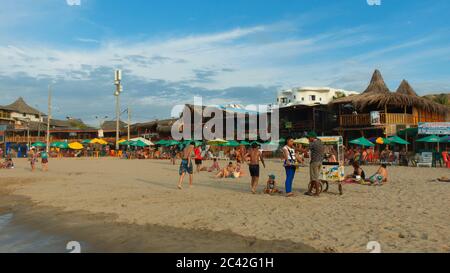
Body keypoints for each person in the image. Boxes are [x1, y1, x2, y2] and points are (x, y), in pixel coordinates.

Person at [305, 132, 324, 197]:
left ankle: (317, 193)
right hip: (320, 161)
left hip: (314, 162)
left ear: (312, 137)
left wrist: (295, 148)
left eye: (309, 138)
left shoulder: (312, 143)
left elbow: (304, 150)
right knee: (313, 177)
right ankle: (309, 191)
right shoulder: (320, 142)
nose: (308, 139)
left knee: (315, 178)